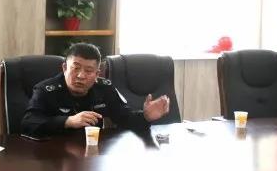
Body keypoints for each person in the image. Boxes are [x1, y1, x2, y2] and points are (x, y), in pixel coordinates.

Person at [20, 43, 170, 138]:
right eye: (75, 68)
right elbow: (28, 124)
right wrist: (68, 121)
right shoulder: (46, 90)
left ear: (97, 74)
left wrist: (145, 117)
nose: (81, 76)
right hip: (53, 156)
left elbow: (125, 118)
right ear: (65, 68)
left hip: (92, 156)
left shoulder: (105, 88)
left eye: (88, 70)